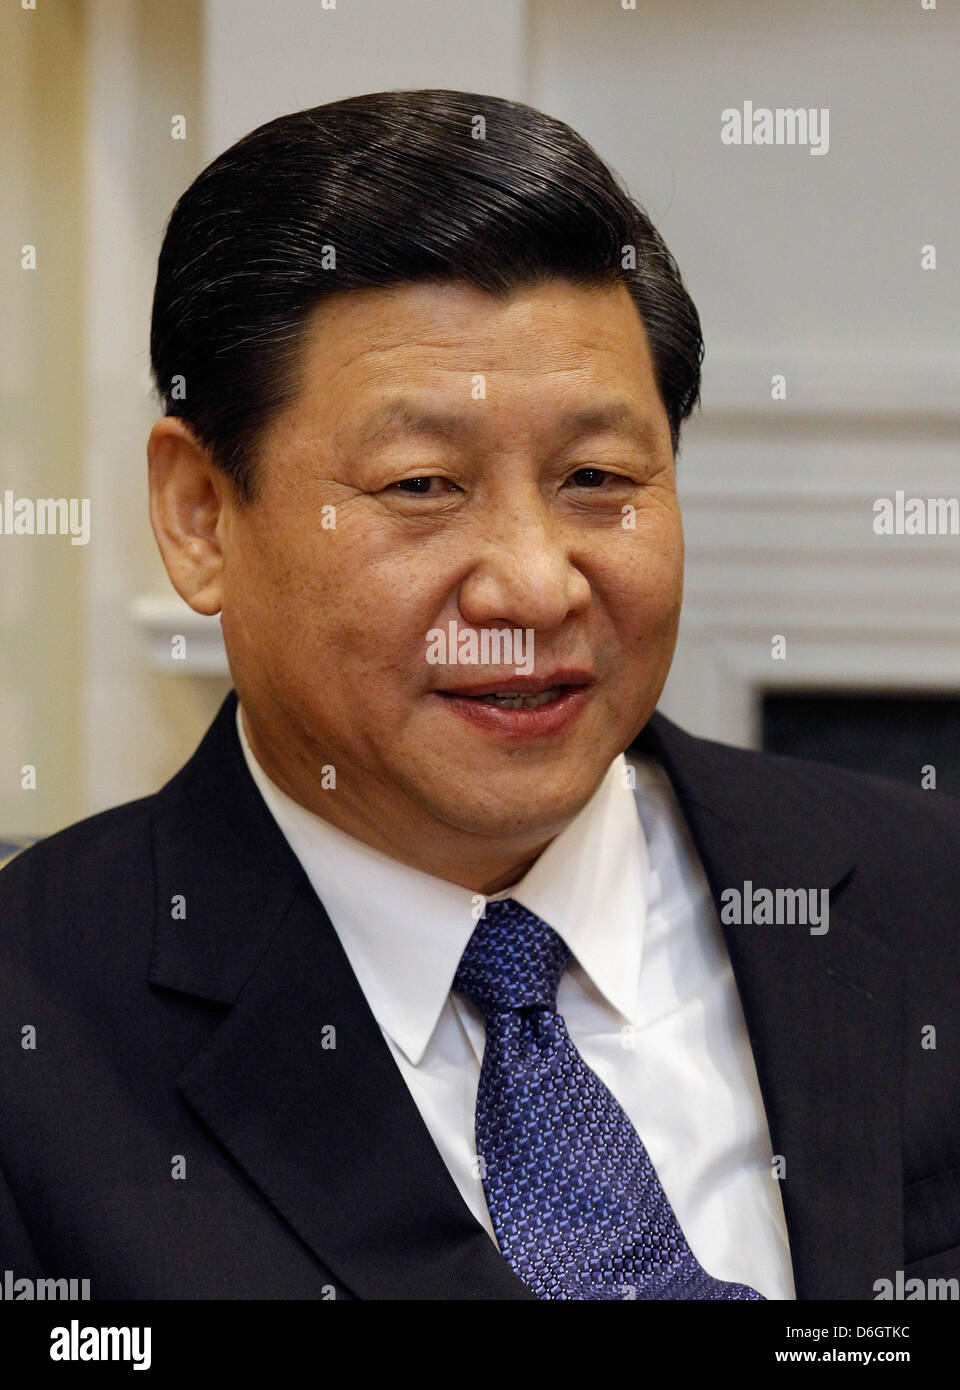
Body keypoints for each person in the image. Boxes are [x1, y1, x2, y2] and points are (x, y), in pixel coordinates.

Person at [1, 89, 957, 1302]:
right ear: (201, 516)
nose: (535, 583)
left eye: (598, 477)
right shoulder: (38, 1039)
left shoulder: (926, 901)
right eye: (421, 484)